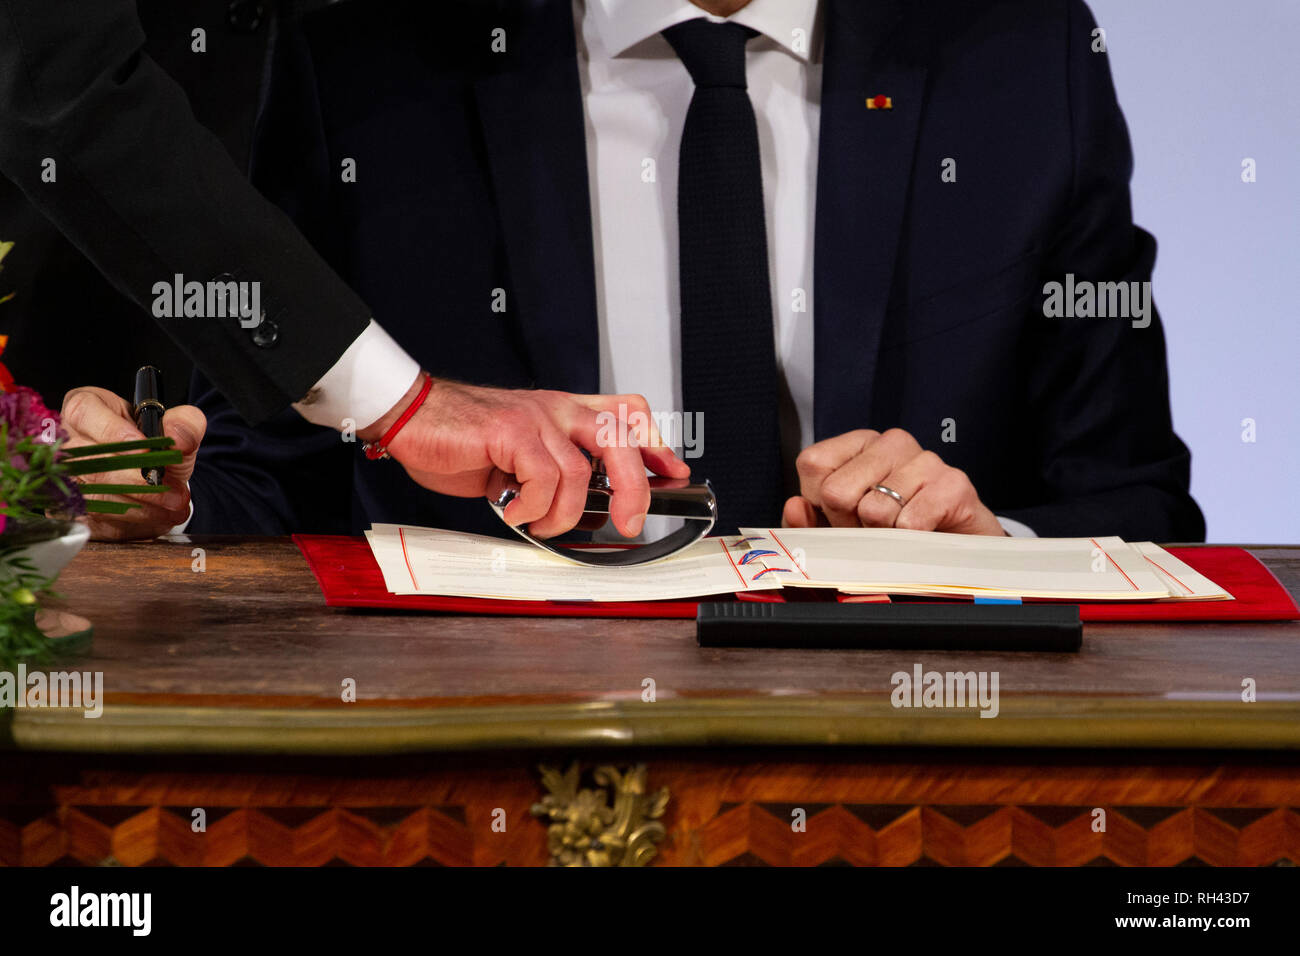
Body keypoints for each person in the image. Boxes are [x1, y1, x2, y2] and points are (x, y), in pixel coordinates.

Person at [53, 0, 1205, 544]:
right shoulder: (365, 62)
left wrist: (989, 547)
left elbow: (1143, 507)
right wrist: (172, 500)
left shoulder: (1022, 53)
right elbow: (294, 468)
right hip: (492, 762)